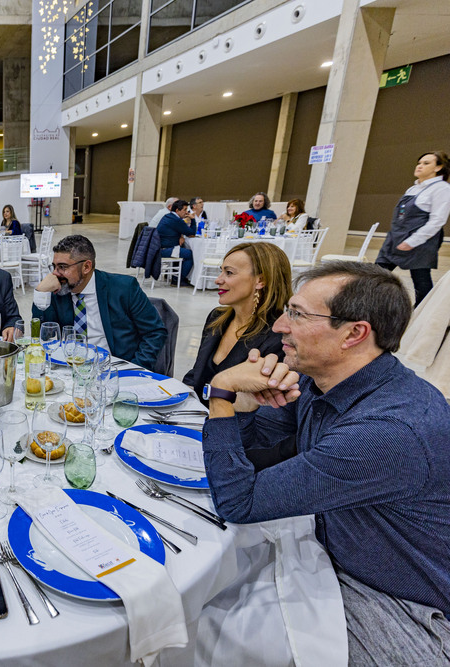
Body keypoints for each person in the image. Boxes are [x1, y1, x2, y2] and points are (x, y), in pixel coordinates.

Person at [201, 261, 450, 664]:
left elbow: (238, 502)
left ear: (355, 333)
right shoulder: (327, 381)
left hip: (398, 597)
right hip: (336, 543)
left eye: (297, 314)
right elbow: (255, 447)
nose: (280, 325)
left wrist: (222, 393)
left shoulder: (387, 431)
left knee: (214, 628)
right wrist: (244, 408)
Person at [33, 234, 167, 369]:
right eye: (54, 266)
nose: (55, 273)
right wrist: (41, 293)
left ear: (86, 267)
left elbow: (155, 332)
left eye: (63, 267)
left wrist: (134, 367)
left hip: (115, 368)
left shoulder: (124, 288)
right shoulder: (57, 290)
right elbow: (44, 337)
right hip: (69, 367)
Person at [183, 243, 291, 408]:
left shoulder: (277, 336)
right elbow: (197, 374)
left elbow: (267, 410)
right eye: (221, 271)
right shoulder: (217, 318)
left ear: (260, 280)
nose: (218, 280)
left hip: (232, 425)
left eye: (229, 273)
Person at [375, 150, 450, 306]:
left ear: (438, 167)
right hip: (395, 238)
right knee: (375, 274)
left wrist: (413, 241)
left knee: (421, 281)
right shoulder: (413, 188)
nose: (419, 166)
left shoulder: (442, 188)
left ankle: (423, 315)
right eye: (419, 163)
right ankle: (371, 306)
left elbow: (437, 220)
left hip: (421, 242)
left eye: (426, 163)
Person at [156, 199, 197, 286]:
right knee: (190, 254)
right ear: (177, 210)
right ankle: (177, 279)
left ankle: (171, 274)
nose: (186, 212)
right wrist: (193, 220)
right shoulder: (176, 220)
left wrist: (180, 236)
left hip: (159, 247)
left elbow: (176, 230)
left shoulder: (168, 216)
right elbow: (191, 232)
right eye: (185, 210)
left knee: (182, 249)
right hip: (165, 249)